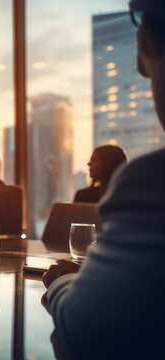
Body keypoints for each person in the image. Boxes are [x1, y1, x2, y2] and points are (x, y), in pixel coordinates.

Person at [42, 1, 165, 357]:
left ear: (147, 45)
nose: (88, 164)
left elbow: (85, 328)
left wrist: (64, 281)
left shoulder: (148, 184)